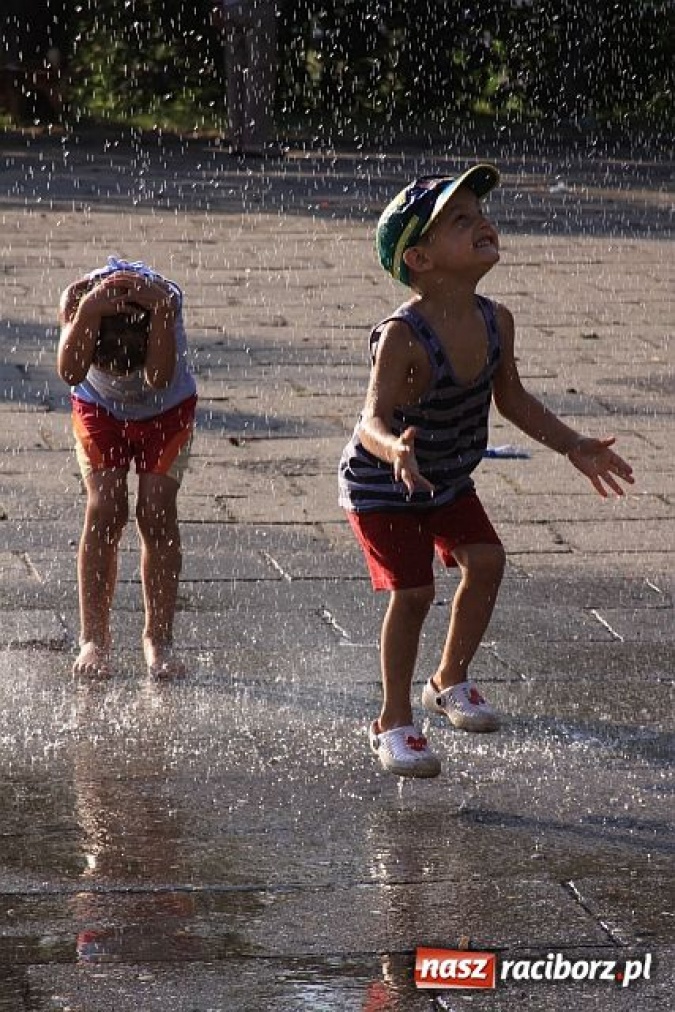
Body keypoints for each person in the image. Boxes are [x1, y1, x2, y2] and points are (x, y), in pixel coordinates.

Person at [338, 165, 635, 779]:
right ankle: (393, 719)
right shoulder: (402, 336)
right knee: (414, 593)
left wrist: (574, 445)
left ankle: (449, 679)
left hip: (446, 476)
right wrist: (394, 449)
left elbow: (515, 400)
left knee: (488, 561)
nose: (483, 225)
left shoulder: (496, 319)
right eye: (461, 221)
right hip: (383, 483)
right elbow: (369, 418)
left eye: (480, 214)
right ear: (418, 257)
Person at [57, 257, 198, 680]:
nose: (120, 374)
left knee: (156, 512)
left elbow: (156, 378)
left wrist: (160, 314)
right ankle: (94, 639)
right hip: (97, 410)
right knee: (106, 509)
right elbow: (68, 372)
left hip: (166, 411)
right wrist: (86, 313)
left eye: (124, 366)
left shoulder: (165, 303)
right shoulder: (77, 300)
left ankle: (158, 638)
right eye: (108, 365)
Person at [210, 1, 280, 157]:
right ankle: (253, 142)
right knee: (259, 74)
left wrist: (217, 5)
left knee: (236, 75)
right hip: (258, 6)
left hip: (231, 7)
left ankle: (238, 139)